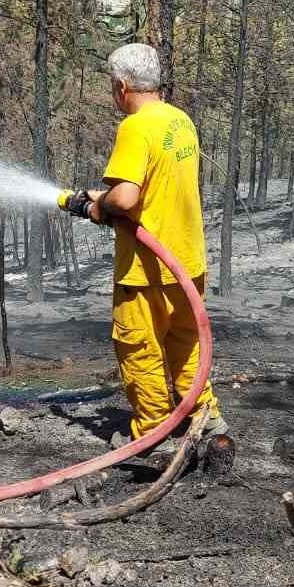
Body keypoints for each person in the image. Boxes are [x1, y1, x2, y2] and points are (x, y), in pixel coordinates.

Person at [75, 43, 226, 453]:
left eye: (112, 87)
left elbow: (124, 199)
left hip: (147, 268)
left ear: (121, 86)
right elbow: (156, 187)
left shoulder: (135, 126)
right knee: (185, 344)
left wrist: (98, 207)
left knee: (139, 348)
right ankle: (208, 423)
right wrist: (93, 198)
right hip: (187, 260)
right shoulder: (180, 121)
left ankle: (155, 436)